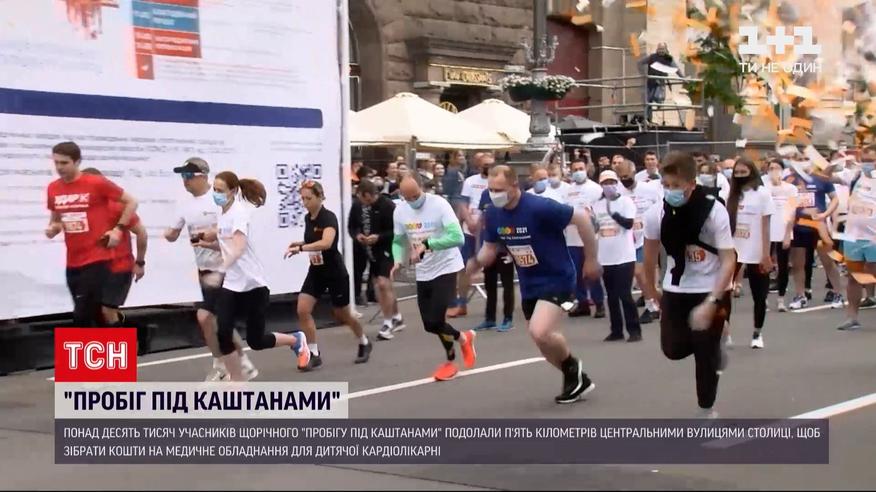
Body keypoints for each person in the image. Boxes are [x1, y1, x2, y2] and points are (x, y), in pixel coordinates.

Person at [468, 165, 601, 404]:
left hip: (558, 277)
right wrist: (473, 266)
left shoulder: (540, 207)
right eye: (491, 190)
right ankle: (576, 377)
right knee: (543, 343)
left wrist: (591, 259)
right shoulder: (493, 213)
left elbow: (581, 219)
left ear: (514, 186)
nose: (494, 194)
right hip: (529, 283)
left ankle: (573, 369)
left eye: (499, 189)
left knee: (540, 331)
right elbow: (489, 248)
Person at [642, 152, 736, 418]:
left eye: (676, 185)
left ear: (691, 184)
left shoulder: (713, 210)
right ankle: (713, 342)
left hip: (711, 288)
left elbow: (729, 259)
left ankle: (706, 409)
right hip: (676, 288)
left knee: (705, 353)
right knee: (673, 349)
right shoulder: (656, 214)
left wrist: (712, 301)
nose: (670, 191)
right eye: (666, 185)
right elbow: (649, 258)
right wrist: (652, 292)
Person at [204, 171, 307, 381]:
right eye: (214, 189)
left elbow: (239, 247)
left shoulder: (239, 213)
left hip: (253, 285)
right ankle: (237, 380)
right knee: (223, 332)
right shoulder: (222, 214)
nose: (216, 194)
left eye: (220, 190)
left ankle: (295, 340)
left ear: (233, 191)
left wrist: (219, 270)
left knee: (256, 341)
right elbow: (226, 245)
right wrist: (207, 244)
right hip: (231, 285)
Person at [164, 157, 257, 381]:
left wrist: (212, 235)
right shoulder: (185, 205)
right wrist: (170, 234)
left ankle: (231, 364)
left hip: (226, 269)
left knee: (208, 317)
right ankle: (232, 363)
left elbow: (234, 230)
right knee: (210, 319)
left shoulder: (217, 200)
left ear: (203, 176)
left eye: (189, 176)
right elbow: (173, 233)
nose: (185, 181)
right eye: (182, 176)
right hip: (205, 270)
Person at [391, 172, 477, 381]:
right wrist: (397, 260)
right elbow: (398, 240)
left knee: (437, 319)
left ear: (422, 187)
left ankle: (450, 361)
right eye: (407, 197)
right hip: (424, 270)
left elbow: (457, 237)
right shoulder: (400, 211)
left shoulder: (439, 205)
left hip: (446, 266)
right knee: (429, 324)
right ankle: (463, 338)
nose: (412, 201)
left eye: (415, 195)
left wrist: (428, 244)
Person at [45, 141, 139, 327]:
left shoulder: (95, 183)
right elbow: (55, 220)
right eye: (56, 163)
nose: (59, 167)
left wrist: (118, 229)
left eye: (64, 163)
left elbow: (132, 201)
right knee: (93, 314)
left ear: (77, 162)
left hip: (97, 259)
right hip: (73, 261)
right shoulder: (53, 188)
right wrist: (53, 228)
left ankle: (98, 346)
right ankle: (123, 344)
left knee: (82, 315)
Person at [287, 180, 372, 369]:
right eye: (303, 199)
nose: (305, 203)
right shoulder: (308, 218)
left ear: (320, 197)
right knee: (303, 309)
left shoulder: (328, 218)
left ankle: (364, 341)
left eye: (309, 198)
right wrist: (300, 243)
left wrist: (301, 248)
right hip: (316, 270)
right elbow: (313, 240)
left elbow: (326, 242)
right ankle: (313, 353)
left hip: (334, 272)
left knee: (342, 314)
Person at [77, 167, 147, 326]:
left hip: (119, 267)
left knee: (107, 311)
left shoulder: (118, 206)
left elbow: (141, 233)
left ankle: (123, 339)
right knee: (93, 312)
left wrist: (140, 262)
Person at [726, 157, 774, 349]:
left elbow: (766, 226)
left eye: (743, 172)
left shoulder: (762, 194)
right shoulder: (731, 194)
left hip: (756, 250)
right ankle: (725, 333)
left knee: (759, 295)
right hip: (733, 249)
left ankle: (757, 333)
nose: (740, 176)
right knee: (724, 293)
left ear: (752, 172)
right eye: (736, 173)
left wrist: (766, 254)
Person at [785, 157, 845, 309]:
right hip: (798, 226)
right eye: (799, 159)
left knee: (827, 261)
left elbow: (835, 199)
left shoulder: (821, 178)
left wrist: (825, 214)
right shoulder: (790, 180)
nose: (802, 162)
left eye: (805, 159)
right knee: (798, 264)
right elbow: (787, 202)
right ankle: (800, 295)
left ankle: (837, 293)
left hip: (818, 225)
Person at [352, 179, 405, 340]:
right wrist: (358, 235)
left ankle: (387, 323)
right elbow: (352, 225)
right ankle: (397, 316)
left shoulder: (388, 206)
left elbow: (397, 231)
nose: (360, 201)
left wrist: (379, 237)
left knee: (383, 283)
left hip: (388, 249)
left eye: (361, 197)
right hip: (371, 250)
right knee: (381, 285)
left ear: (368, 195)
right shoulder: (359, 206)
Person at [593, 170, 642, 342]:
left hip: (624, 256)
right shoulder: (597, 204)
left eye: (612, 182)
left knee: (624, 294)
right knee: (611, 296)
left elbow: (628, 224)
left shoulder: (626, 202)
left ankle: (634, 330)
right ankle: (616, 330)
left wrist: (614, 214)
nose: (609, 186)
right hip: (605, 256)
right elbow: (595, 227)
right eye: (605, 183)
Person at [616, 159, 664, 323]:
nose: (625, 180)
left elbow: (661, 207)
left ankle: (653, 306)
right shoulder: (619, 192)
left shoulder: (649, 190)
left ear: (634, 173)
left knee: (639, 272)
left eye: (627, 176)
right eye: (621, 177)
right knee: (641, 274)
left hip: (648, 236)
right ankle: (656, 300)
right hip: (629, 238)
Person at [448, 152, 493, 318]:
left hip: (489, 230)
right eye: (485, 165)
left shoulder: (497, 181)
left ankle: (493, 307)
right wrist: (468, 220)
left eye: (491, 165)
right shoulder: (470, 181)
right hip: (470, 230)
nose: (488, 168)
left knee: (487, 266)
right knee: (463, 268)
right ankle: (461, 303)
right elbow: (463, 203)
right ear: (478, 166)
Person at [838, 147, 876, 331]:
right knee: (854, 277)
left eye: (871, 160)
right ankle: (852, 317)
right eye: (865, 160)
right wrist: (833, 163)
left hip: (873, 237)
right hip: (853, 236)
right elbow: (825, 177)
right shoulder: (855, 176)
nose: (867, 163)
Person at [562, 158, 606, 318]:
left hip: (590, 238)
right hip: (572, 238)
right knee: (576, 273)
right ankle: (583, 303)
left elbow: (600, 211)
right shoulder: (567, 190)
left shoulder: (596, 189)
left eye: (581, 168)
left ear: (586, 169)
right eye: (575, 169)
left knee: (591, 272)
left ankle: (599, 303)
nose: (578, 172)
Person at [473, 186, 515, 332]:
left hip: (505, 248)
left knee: (507, 284)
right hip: (488, 247)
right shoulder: (485, 194)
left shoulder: (508, 194)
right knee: (489, 284)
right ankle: (489, 319)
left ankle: (508, 318)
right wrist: (478, 247)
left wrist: (512, 249)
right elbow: (481, 220)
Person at [764, 158, 797, 312]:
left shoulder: (791, 188)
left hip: (783, 229)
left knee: (783, 266)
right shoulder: (763, 187)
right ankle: (763, 298)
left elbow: (792, 211)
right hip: (766, 230)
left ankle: (781, 299)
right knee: (765, 265)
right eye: (771, 168)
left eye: (777, 168)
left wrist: (787, 234)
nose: (774, 171)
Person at [637, 42, 680, 122]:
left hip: (660, 83)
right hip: (650, 82)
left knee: (658, 97)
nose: (661, 51)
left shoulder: (668, 58)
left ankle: (659, 103)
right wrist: (643, 74)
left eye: (662, 49)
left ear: (666, 49)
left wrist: (683, 78)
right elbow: (639, 63)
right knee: (648, 101)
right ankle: (648, 119)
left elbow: (676, 69)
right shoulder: (652, 57)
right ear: (657, 49)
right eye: (659, 49)